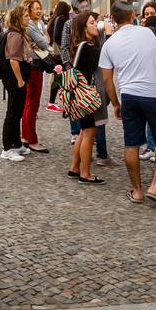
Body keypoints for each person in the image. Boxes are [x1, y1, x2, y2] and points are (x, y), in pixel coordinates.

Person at [98, 0, 156, 209]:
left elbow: (106, 79)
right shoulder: (150, 33)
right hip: (154, 93)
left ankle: (138, 190)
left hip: (129, 95)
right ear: (133, 15)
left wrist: (115, 103)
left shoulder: (109, 44)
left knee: (131, 143)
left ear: (113, 19)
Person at [64, 11, 107, 183]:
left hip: (78, 94)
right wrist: (108, 34)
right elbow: (106, 57)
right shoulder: (89, 48)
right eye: (92, 22)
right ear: (83, 27)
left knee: (83, 132)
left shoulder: (81, 45)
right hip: (85, 95)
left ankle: (74, 168)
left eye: (95, 21)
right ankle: (85, 173)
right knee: (89, 133)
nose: (96, 25)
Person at [0, 3, 31, 162]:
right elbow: (13, 60)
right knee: (12, 113)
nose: (28, 18)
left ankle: (16, 143)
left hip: (19, 78)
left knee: (17, 112)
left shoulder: (19, 33)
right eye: (26, 16)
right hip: (15, 79)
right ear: (18, 18)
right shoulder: (15, 35)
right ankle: (6, 148)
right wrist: (19, 80)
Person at [20, 0, 51, 154]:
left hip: (34, 64)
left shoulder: (36, 24)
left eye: (40, 8)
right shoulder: (32, 25)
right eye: (36, 8)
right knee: (33, 102)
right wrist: (43, 38)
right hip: (35, 66)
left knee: (30, 102)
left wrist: (43, 38)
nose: (39, 11)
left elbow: (45, 40)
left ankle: (26, 136)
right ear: (29, 10)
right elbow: (46, 43)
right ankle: (31, 139)